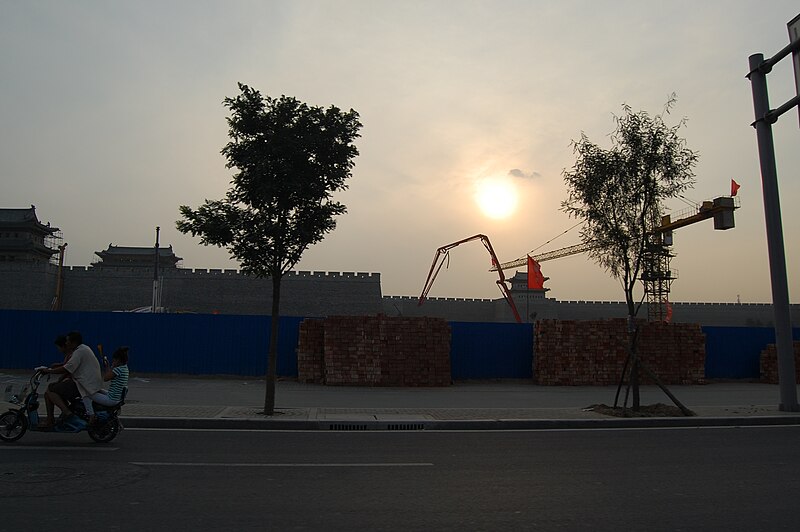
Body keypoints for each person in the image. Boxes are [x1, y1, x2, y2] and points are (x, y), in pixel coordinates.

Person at [39, 331, 103, 428]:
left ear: (74, 342)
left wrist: (48, 371)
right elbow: (69, 366)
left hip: (83, 384)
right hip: (87, 382)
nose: (66, 343)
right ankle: (51, 419)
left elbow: (67, 368)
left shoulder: (79, 352)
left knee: (50, 389)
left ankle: (68, 414)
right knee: (51, 391)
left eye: (68, 341)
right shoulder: (83, 348)